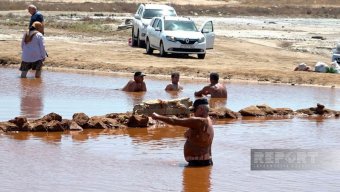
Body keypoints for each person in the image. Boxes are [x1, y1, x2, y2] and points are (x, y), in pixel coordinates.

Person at [152, 98, 214, 166]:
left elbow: (175, 121)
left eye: (194, 110)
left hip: (198, 164)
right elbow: (195, 137)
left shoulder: (199, 121)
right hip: (205, 162)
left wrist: (157, 117)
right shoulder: (208, 120)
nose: (193, 113)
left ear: (201, 109)